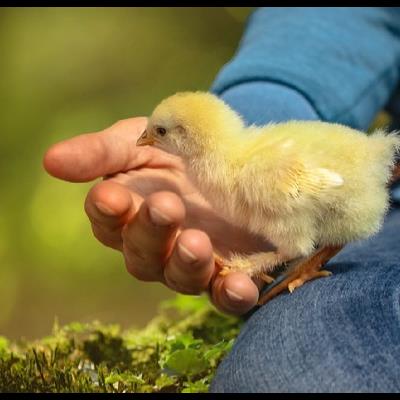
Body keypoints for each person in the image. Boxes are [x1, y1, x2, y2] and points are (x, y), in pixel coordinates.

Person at [43, 7, 400, 392]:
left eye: (159, 132)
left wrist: (249, 264)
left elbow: (320, 191)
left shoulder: (252, 169)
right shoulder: (234, 163)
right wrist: (268, 104)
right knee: (291, 375)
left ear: (189, 137)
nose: (148, 139)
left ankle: (292, 267)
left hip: (352, 188)